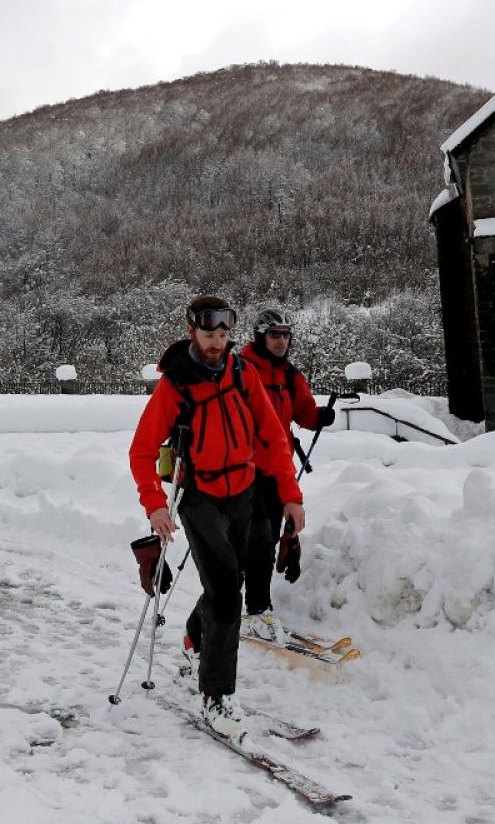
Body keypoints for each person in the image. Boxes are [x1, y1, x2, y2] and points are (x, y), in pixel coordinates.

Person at [128, 296, 305, 741]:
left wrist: (290, 495)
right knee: (227, 591)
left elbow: (273, 435)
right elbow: (142, 452)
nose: (218, 343)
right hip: (200, 496)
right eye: (210, 335)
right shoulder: (175, 387)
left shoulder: (242, 372)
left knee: (230, 579)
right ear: (192, 331)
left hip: (243, 489)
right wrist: (154, 503)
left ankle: (193, 640)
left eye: (225, 335)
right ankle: (216, 696)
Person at [236, 308, 335, 644]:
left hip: (278, 469)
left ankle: (250, 607)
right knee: (259, 539)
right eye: (274, 335)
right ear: (260, 336)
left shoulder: (290, 375)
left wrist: (319, 416)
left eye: (286, 335)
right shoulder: (241, 369)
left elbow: (302, 411)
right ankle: (256, 609)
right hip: (244, 469)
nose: (281, 341)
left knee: (265, 538)